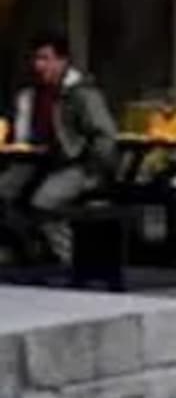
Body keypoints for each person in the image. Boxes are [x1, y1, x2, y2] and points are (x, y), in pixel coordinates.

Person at [3, 32, 117, 265]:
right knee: (4, 193)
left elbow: (104, 135)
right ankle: (26, 249)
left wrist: (95, 169)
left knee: (44, 202)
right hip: (35, 160)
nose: (39, 65)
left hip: (75, 164)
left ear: (62, 61)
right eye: (36, 59)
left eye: (46, 58)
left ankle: (66, 257)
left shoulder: (82, 94)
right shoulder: (29, 94)